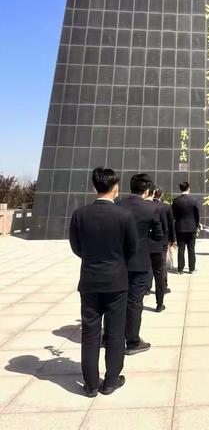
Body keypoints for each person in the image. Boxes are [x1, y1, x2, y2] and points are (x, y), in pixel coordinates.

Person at [69, 167, 138, 397]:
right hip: (117, 282)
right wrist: (116, 263)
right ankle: (110, 381)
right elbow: (132, 249)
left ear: (94, 187)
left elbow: (77, 247)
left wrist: (93, 259)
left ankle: (90, 385)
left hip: (89, 280)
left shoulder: (80, 214)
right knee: (115, 331)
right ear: (116, 188)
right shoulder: (124, 216)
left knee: (90, 333)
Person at [117, 173, 163, 355]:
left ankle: (110, 336)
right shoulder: (151, 209)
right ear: (146, 191)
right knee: (135, 301)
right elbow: (158, 235)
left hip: (119, 260)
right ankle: (132, 341)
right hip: (140, 260)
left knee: (116, 300)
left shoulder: (118, 205)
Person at [149, 187, 175, 312]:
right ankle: (162, 291)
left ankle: (147, 287)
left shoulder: (146, 205)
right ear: (162, 195)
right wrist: (172, 239)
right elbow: (170, 224)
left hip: (146, 242)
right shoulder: (166, 207)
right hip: (162, 242)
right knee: (161, 267)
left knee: (147, 266)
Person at [172, 182, 200, 274]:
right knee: (191, 249)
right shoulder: (193, 200)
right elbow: (197, 216)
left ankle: (180, 269)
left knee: (181, 249)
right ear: (188, 188)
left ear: (180, 189)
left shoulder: (176, 201)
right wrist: (196, 226)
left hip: (180, 228)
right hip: (191, 228)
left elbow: (173, 215)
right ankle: (191, 269)